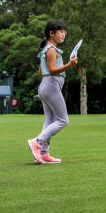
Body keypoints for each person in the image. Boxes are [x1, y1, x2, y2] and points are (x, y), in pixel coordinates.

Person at [27, 20, 77, 164]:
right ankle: (37, 142)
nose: (64, 34)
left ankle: (43, 153)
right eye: (61, 31)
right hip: (51, 86)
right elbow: (52, 71)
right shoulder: (51, 50)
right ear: (51, 33)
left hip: (45, 86)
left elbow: (42, 72)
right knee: (63, 120)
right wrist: (69, 64)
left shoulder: (47, 50)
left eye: (64, 32)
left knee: (50, 121)